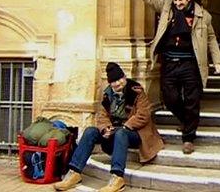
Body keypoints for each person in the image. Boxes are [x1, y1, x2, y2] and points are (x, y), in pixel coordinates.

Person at [131, 0, 220, 155]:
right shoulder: (166, 7)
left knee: (192, 100)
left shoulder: (202, 15)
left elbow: (211, 38)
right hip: (170, 62)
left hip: (191, 64)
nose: (178, 3)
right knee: (170, 98)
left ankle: (188, 138)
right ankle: (187, 121)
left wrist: (217, 60)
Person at [53, 62, 164, 192]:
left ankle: (117, 178)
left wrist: (126, 126)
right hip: (115, 131)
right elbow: (102, 116)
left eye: (119, 79)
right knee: (90, 131)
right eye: (113, 81)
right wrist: (105, 129)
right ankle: (74, 172)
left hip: (136, 133)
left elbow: (143, 115)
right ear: (110, 83)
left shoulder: (137, 92)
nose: (117, 83)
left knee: (121, 133)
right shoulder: (107, 95)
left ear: (124, 78)